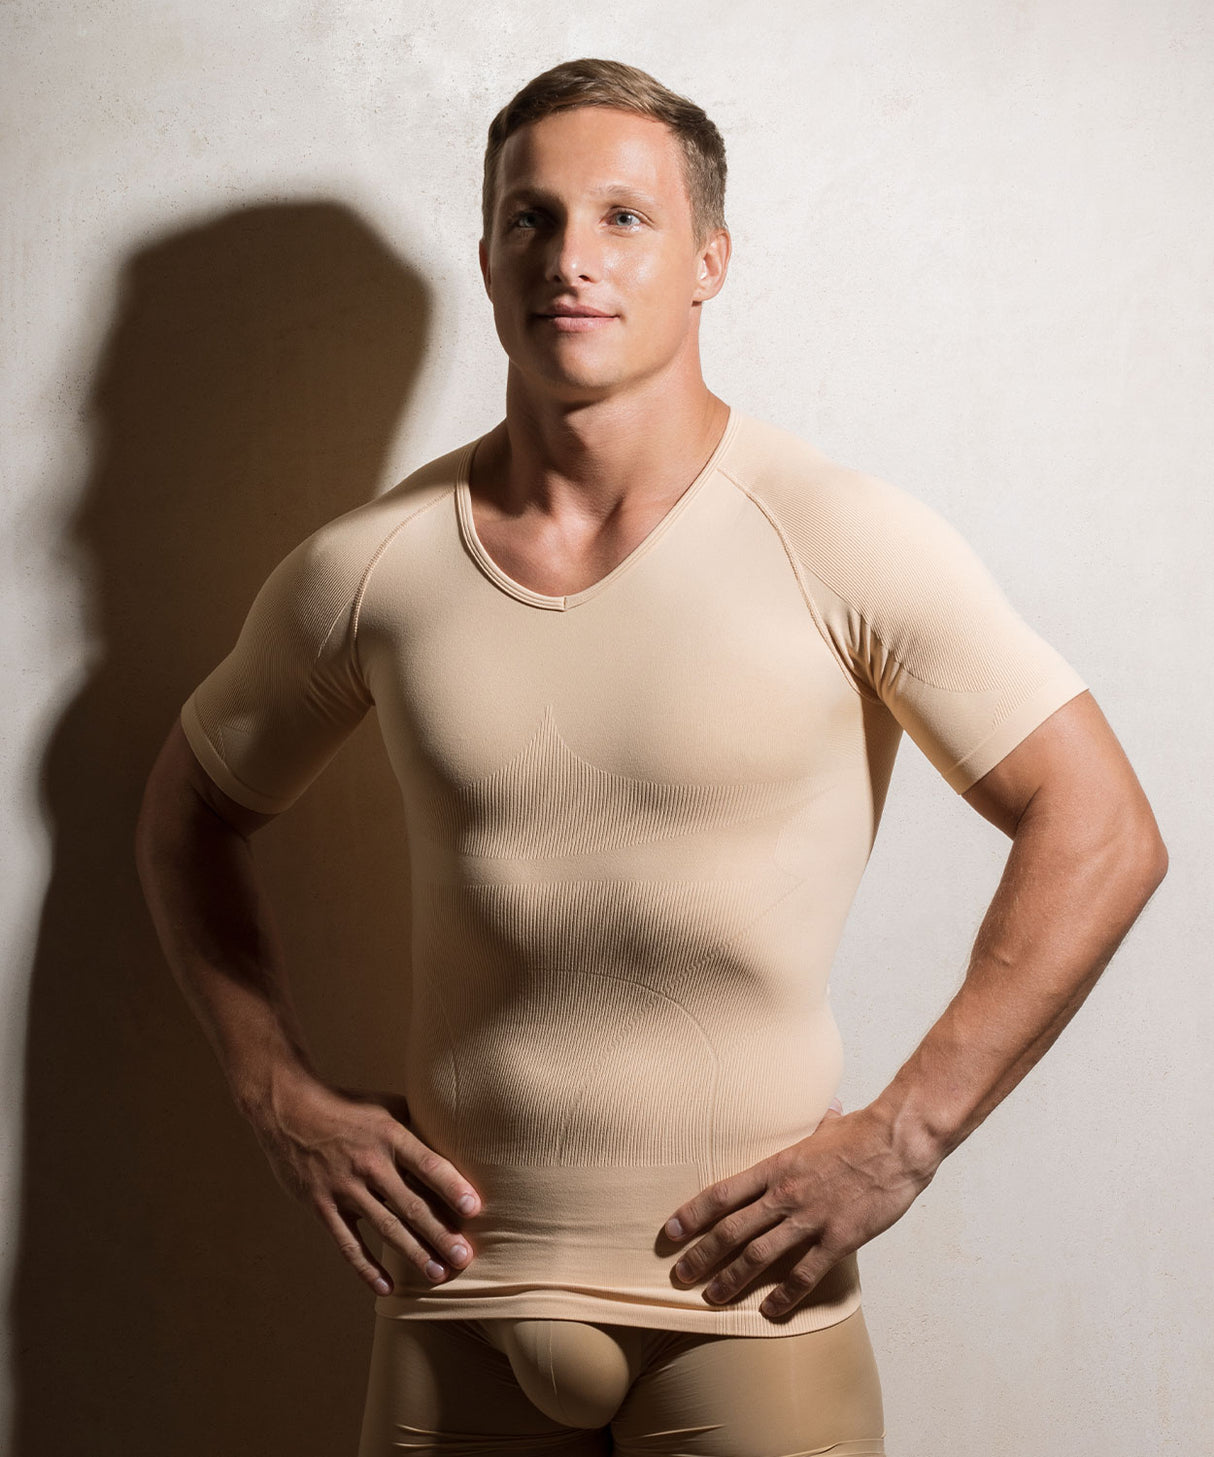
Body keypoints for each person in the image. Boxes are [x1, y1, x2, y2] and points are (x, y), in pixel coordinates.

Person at [135, 56, 1167, 1457]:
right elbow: (190, 810)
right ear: (488, 255)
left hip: (746, 1310)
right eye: (531, 217)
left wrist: (903, 1138)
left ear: (708, 261)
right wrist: (277, 1093)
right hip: (456, 1300)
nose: (572, 257)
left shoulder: (836, 536)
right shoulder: (372, 566)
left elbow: (1100, 826)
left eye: (624, 217)